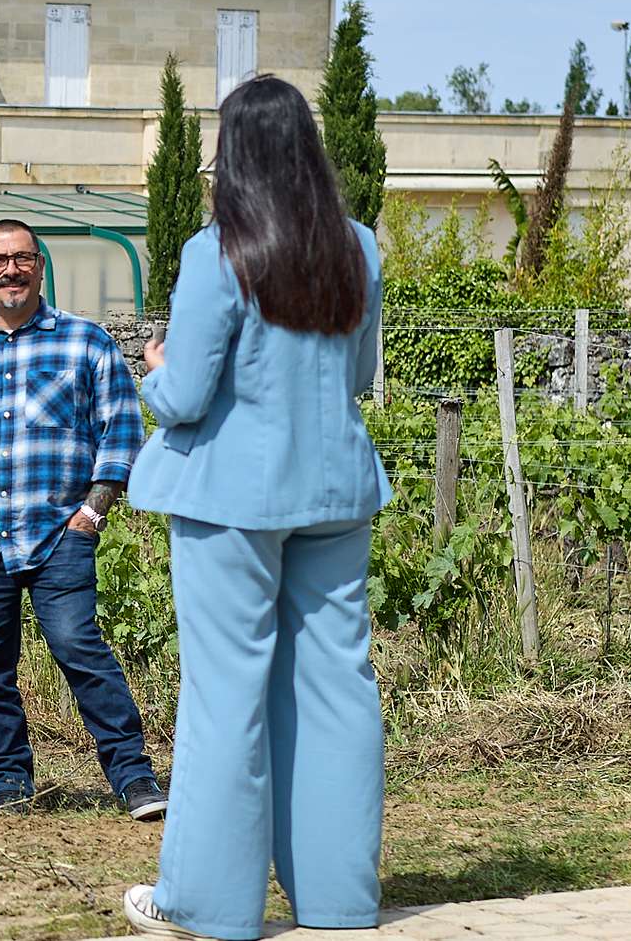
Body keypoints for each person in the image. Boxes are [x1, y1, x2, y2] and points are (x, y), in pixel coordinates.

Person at [120, 76, 391, 940]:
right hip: (337, 489)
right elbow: (354, 379)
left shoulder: (217, 252)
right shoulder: (358, 247)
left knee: (225, 695)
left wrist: (153, 368)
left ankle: (209, 904)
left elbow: (190, 396)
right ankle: (339, 902)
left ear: (232, 151)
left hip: (233, 499)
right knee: (337, 689)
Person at [0, 217, 166, 821]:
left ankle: (134, 778)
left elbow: (121, 432)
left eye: (21, 258)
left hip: (59, 534)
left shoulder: (86, 343)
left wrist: (91, 513)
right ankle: (10, 780)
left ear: (40, 265)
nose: (10, 270)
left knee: (79, 647)